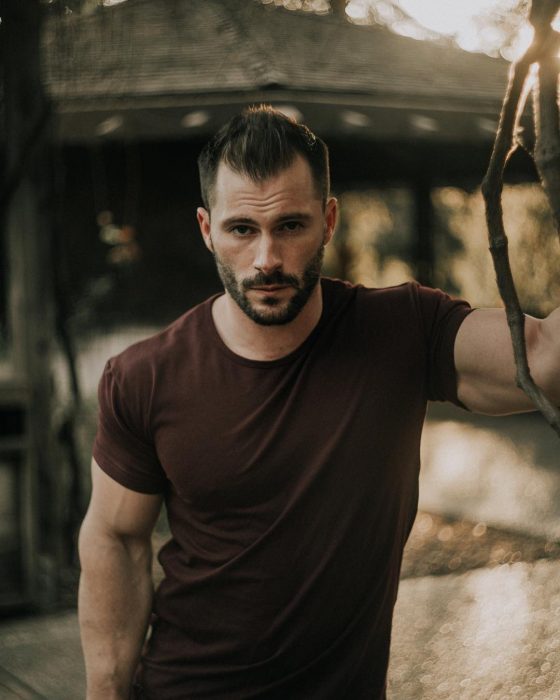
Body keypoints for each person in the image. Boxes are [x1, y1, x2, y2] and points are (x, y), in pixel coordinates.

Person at [78, 105, 560, 700]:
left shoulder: (402, 329)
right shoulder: (144, 377)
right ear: (207, 229)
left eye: (290, 226)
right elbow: (115, 537)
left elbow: (547, 361)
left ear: (328, 220)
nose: (266, 260)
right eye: (241, 230)